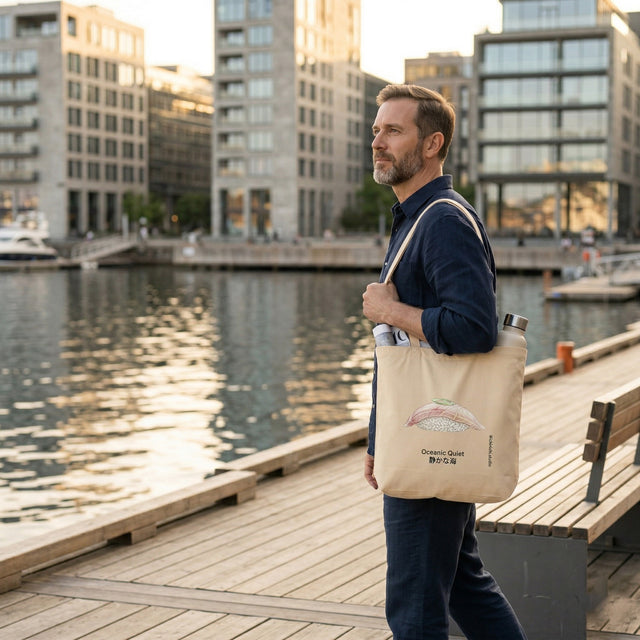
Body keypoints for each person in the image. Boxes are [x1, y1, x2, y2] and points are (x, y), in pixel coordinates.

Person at [362, 84, 527, 640]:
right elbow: (401, 357)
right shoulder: (418, 216)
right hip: (424, 431)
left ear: (432, 143)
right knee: (461, 584)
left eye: (393, 131)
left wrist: (391, 308)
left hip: (436, 428)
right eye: (377, 129)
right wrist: (377, 440)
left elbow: (474, 327)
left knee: (414, 609)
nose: (377, 141)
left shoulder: (441, 220)